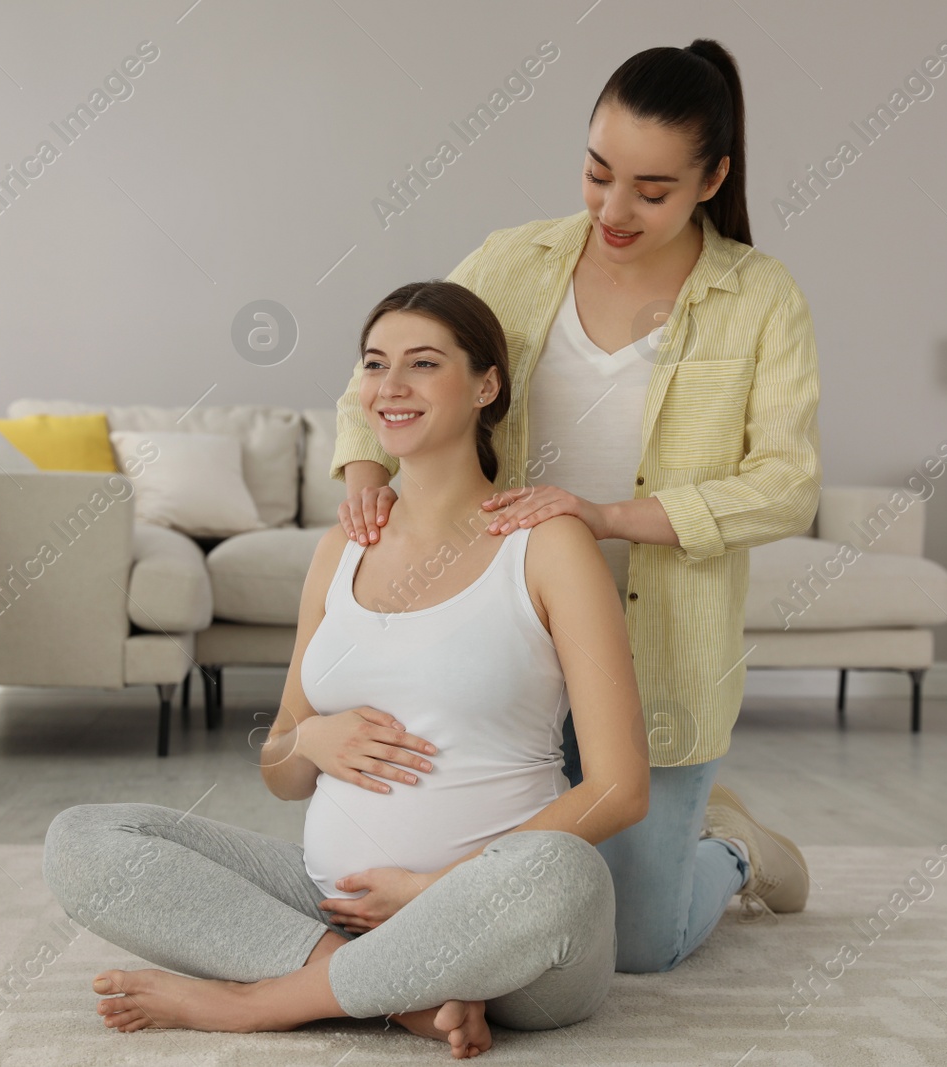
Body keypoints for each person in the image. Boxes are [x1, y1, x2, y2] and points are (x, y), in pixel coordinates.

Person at [43, 280, 650, 1057]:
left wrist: (437, 892)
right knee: (85, 837)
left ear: (485, 385)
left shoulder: (546, 542)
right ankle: (396, 999)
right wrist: (313, 742)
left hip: (503, 930)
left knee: (565, 876)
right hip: (333, 901)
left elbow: (618, 786)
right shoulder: (341, 548)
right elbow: (281, 770)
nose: (390, 386)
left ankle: (261, 1002)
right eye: (374, 363)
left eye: (423, 364)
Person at [331, 39, 821, 974]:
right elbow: (391, 360)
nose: (614, 209)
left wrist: (605, 516)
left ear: (712, 178)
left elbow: (787, 482)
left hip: (658, 654)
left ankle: (734, 849)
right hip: (501, 635)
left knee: (637, 944)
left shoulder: (760, 298)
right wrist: (364, 470)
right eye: (598, 174)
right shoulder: (514, 260)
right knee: (473, 895)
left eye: (651, 188)